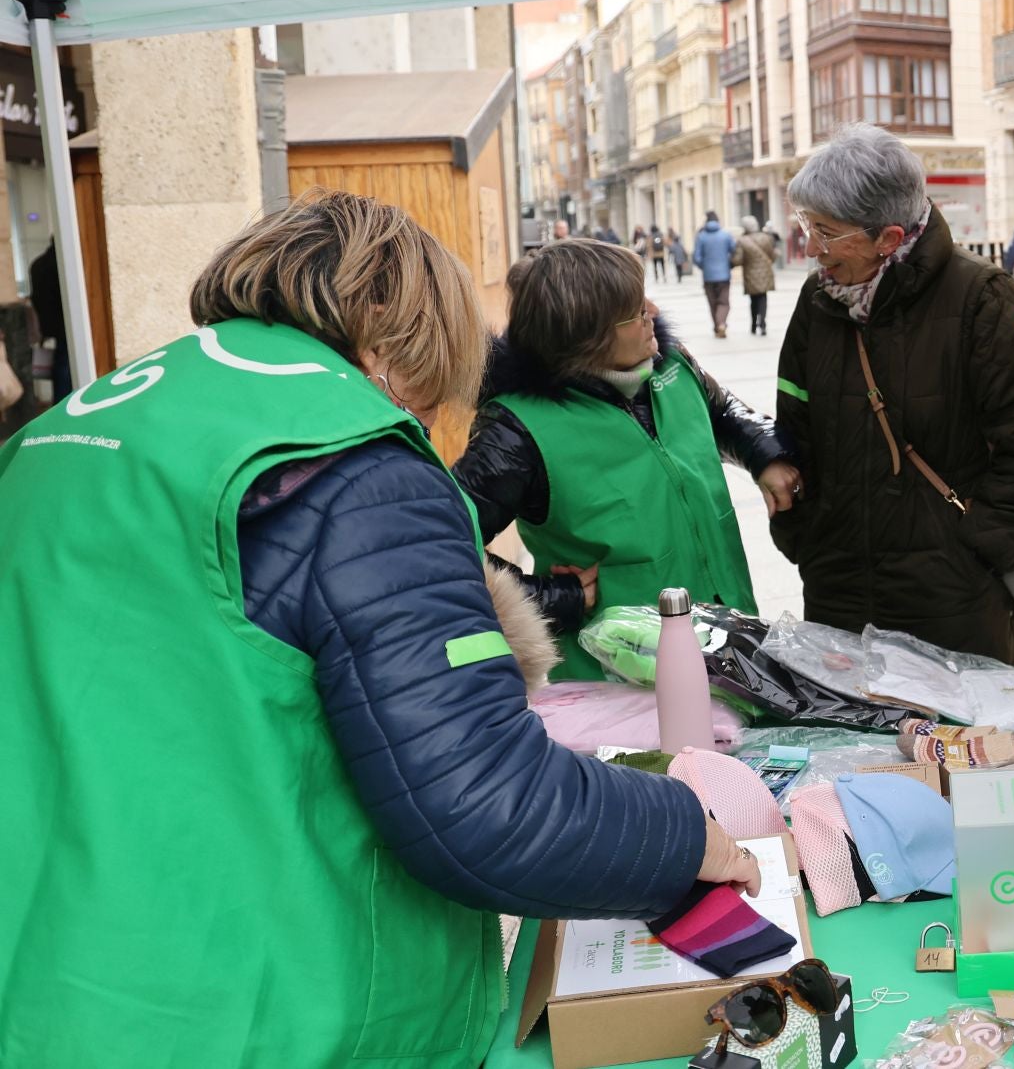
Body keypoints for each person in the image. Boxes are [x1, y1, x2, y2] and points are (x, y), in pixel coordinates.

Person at [0, 192, 761, 1069]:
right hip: (253, 1011)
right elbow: (485, 800)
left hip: (56, 983)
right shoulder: (352, 459)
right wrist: (682, 827)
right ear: (395, 332)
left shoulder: (77, 427)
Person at [455, 238, 800, 679]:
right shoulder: (517, 430)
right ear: (587, 336)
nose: (653, 313)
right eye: (636, 312)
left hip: (727, 650)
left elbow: (724, 413)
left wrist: (766, 456)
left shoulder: (671, 367)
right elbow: (439, 545)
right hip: (619, 684)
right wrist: (549, 597)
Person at [772, 123, 1014, 666]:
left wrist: (978, 551)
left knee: (963, 749)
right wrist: (804, 533)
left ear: (888, 238)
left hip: (958, 605)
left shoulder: (983, 300)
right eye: (807, 224)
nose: (810, 248)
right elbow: (793, 423)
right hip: (839, 596)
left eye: (826, 231)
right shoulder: (818, 301)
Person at [27, 241, 70, 401]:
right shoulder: (60, 265)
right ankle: (63, 402)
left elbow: (37, 298)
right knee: (64, 365)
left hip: (50, 324)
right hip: (64, 323)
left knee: (60, 364)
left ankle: (60, 401)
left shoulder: (38, 264)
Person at [733, 213, 779, 337]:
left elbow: (737, 260)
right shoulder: (766, 238)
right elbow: (772, 254)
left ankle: (753, 325)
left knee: (753, 300)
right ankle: (763, 325)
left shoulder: (742, 241)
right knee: (763, 298)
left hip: (750, 274)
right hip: (766, 273)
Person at [693, 211, 737, 337]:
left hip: (708, 277)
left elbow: (696, 257)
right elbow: (734, 250)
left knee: (713, 303)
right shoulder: (726, 235)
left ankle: (718, 327)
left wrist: (705, 266)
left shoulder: (701, 237)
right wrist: (728, 264)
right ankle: (721, 324)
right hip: (724, 275)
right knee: (723, 302)